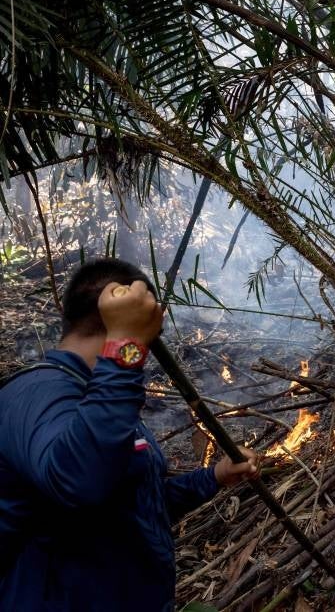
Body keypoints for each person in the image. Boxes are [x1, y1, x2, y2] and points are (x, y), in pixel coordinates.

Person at [0, 258, 261, 610]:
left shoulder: (102, 398)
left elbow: (132, 506)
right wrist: (127, 346)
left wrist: (213, 477)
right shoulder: (36, 392)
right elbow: (78, 482)